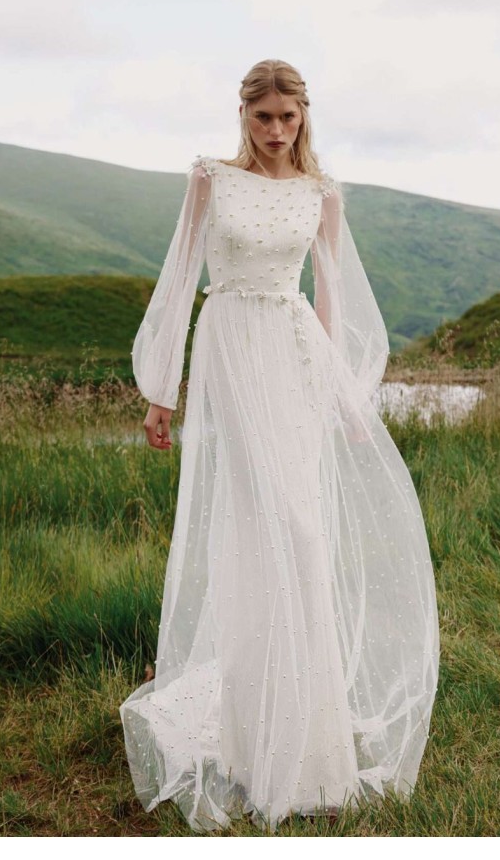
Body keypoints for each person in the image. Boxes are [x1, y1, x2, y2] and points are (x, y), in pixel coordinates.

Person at [119, 59, 439, 832]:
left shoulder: (322, 194)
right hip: (231, 344)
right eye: (262, 116)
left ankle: (306, 735)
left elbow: (330, 295)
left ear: (303, 116)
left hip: (293, 353)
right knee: (264, 523)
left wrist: (340, 392)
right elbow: (178, 278)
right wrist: (162, 389)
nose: (274, 130)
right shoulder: (210, 179)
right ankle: (253, 731)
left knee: (300, 529)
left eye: (286, 117)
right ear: (244, 115)